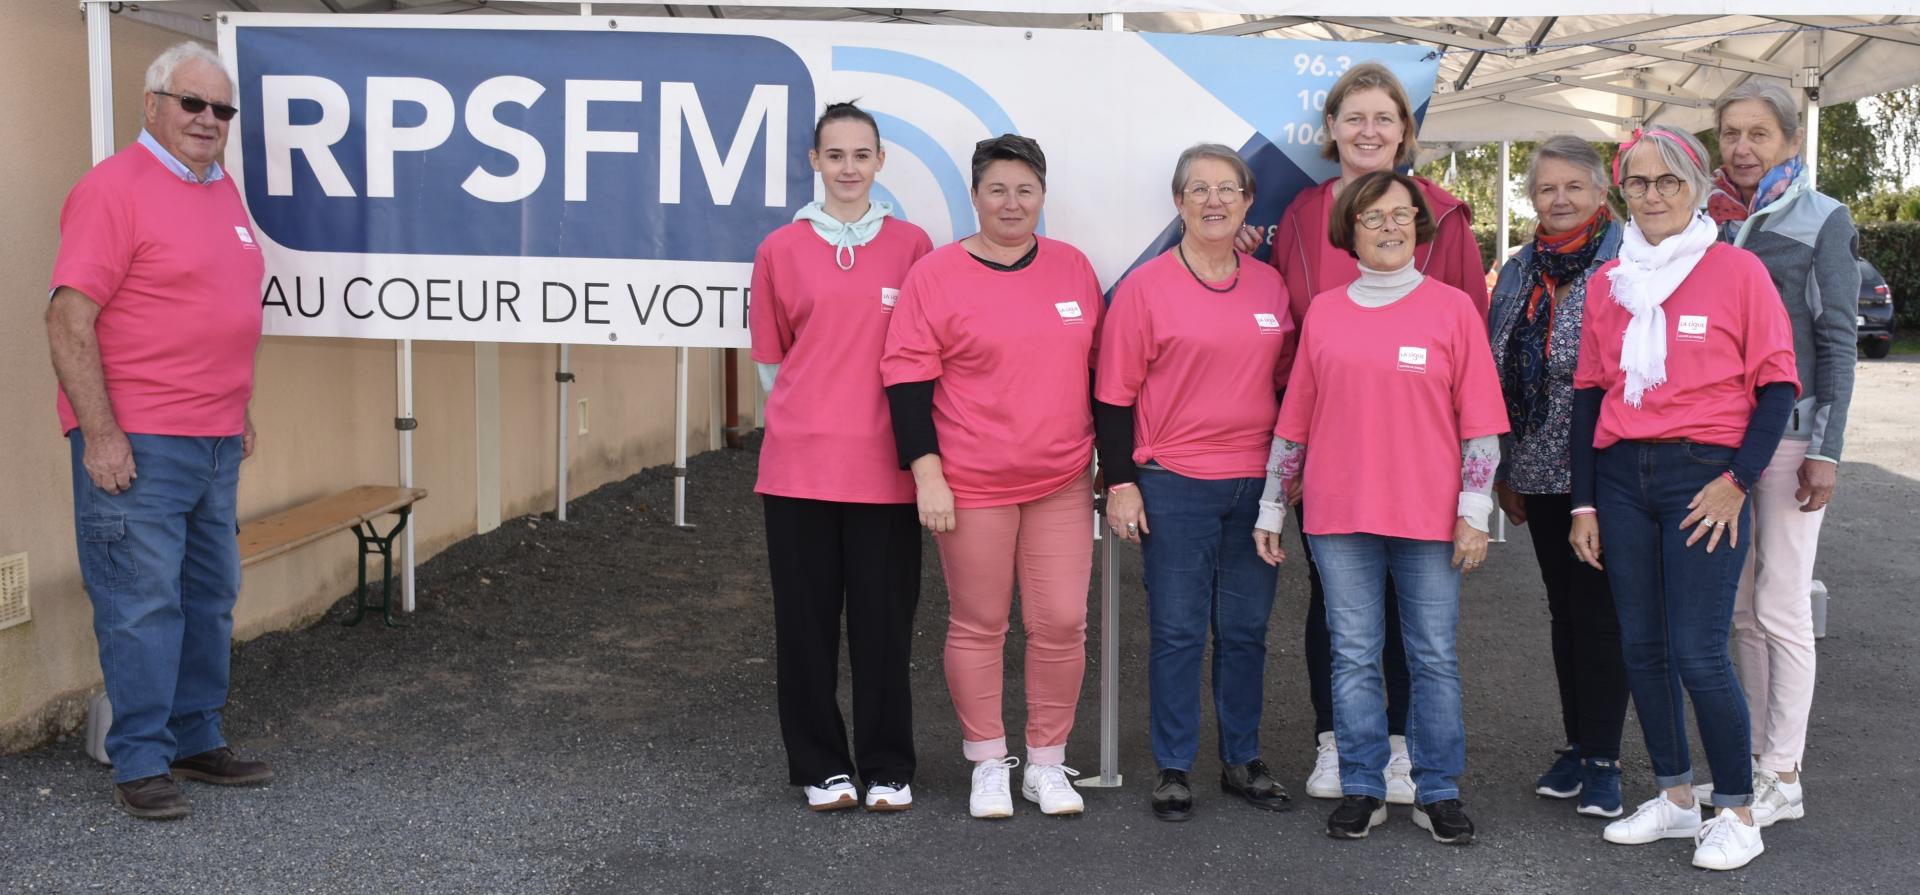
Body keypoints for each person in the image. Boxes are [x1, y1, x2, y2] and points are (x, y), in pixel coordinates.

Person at [1237, 61, 1487, 801]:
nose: (1369, 131)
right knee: (1339, 613)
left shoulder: (1443, 212)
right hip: (1331, 447)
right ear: (1333, 130)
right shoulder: (1303, 213)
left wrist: (1471, 489)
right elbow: (1286, 329)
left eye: (1384, 118)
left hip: (1420, 459)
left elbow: (1467, 337)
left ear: (1404, 132)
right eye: (1355, 118)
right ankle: (1338, 742)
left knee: (1420, 619)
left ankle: (1408, 748)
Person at [43, 42, 272, 821]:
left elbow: (221, 309)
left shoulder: (220, 189)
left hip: (212, 440)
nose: (208, 120)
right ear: (153, 105)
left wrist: (237, 405)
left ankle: (194, 734)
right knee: (141, 603)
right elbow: (68, 318)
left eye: (221, 110)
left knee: (209, 595)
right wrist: (100, 434)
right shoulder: (113, 190)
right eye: (192, 104)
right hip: (138, 441)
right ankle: (140, 759)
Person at [1569, 126, 1799, 871]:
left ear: (1699, 188)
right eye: (1638, 183)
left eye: (1669, 181)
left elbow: (1778, 387)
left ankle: (1736, 808)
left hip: (1706, 477)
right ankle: (1674, 798)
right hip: (1621, 477)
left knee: (1699, 648)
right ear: (1621, 194)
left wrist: (1737, 483)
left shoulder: (1736, 270)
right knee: (1642, 645)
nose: (1654, 195)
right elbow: (1587, 396)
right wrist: (1584, 503)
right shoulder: (1611, 283)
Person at [881, 135, 1104, 819]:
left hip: (1061, 477)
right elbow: (906, 376)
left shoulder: (1072, 267)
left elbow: (1100, 369)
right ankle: (986, 761)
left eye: (1025, 189)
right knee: (980, 622)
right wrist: (928, 475)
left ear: (1042, 196)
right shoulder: (938, 273)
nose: (1012, 203)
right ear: (975, 197)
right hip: (970, 480)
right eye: (997, 190)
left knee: (1062, 622)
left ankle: (1045, 761)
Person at [1095, 144, 1295, 822]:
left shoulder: (1270, 286)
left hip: (1255, 486)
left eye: (1228, 188)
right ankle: (1174, 765)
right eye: (1199, 189)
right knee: (1179, 629)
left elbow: (1289, 385)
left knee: (1245, 628)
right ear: (1179, 202)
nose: (1214, 200)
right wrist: (1120, 482)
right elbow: (1113, 396)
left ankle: (1242, 759)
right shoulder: (1145, 288)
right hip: (1173, 482)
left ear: (1247, 200)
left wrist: (1286, 476)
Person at [750, 103, 934, 813]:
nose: (849, 167)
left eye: (862, 154)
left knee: (884, 627)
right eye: (836, 154)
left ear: (881, 162)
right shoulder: (779, 249)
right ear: (815, 163)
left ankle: (888, 764)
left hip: (886, 468)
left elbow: (924, 357)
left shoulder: (914, 246)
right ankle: (821, 765)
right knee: (804, 625)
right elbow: (772, 364)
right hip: (799, 470)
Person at [1700, 81, 1861, 825]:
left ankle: (1784, 771)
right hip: (1719, 436)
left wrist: (1825, 451)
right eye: (1731, 133)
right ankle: (1759, 763)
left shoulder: (1823, 217)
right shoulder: (1704, 217)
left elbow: (1835, 342)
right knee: (1739, 608)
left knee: (1781, 603)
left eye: (1759, 134)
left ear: (1791, 141)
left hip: (1791, 436)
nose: (1741, 148)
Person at [1487, 136, 1631, 819]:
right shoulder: (1519, 267)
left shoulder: (1630, 260)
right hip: (1539, 468)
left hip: (1608, 468)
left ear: (1603, 193)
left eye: (1575, 185)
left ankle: (1605, 757)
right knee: (1565, 609)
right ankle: (1577, 743)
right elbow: (1496, 365)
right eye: (1548, 188)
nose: (1562, 198)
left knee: (1601, 613)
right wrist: (1504, 468)